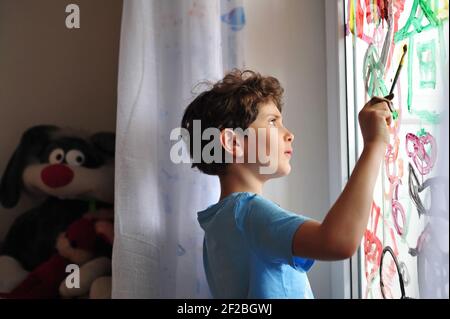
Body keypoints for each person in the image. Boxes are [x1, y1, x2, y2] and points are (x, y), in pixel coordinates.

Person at [180, 69, 393, 298]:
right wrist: (374, 144)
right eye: (273, 122)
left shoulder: (218, 225)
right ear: (233, 142)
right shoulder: (247, 213)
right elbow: (338, 241)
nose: (289, 134)